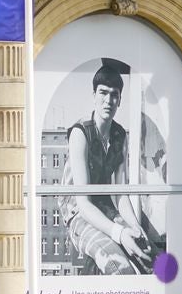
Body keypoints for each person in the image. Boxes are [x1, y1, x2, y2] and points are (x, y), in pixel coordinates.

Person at [64, 57, 166, 274]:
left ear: (120, 100)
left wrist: (135, 227)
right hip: (79, 213)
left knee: (149, 256)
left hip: (104, 207)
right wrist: (119, 233)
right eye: (103, 93)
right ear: (93, 96)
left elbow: (120, 194)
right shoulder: (80, 133)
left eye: (114, 94)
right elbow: (83, 203)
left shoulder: (119, 135)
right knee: (120, 268)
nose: (108, 100)